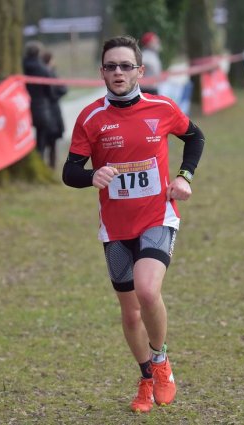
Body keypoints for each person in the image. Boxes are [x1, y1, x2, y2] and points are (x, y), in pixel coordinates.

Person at [62, 35, 205, 413]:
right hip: (115, 228)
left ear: (140, 70)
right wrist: (91, 175)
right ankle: (145, 378)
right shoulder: (90, 118)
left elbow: (195, 137)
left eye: (126, 66)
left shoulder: (161, 107)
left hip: (157, 217)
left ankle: (161, 361)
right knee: (130, 312)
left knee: (147, 291)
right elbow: (69, 172)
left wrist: (185, 176)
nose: (119, 72)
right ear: (102, 72)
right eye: (111, 66)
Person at [22, 41, 55, 159]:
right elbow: (49, 91)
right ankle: (39, 157)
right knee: (41, 137)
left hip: (22, 108)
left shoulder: (20, 67)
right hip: (41, 108)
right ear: (39, 53)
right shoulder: (44, 70)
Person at [42, 51, 68, 169]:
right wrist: (55, 96)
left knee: (47, 140)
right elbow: (62, 89)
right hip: (51, 110)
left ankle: (50, 166)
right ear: (50, 60)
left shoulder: (44, 73)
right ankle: (51, 166)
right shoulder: (50, 73)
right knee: (51, 140)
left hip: (46, 109)